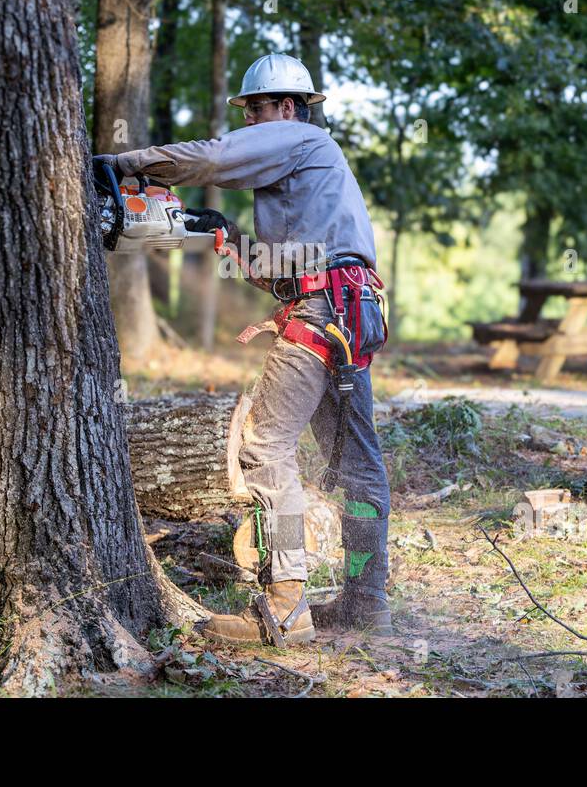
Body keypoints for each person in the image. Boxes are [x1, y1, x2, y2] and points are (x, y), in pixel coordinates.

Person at [96, 53, 392, 646]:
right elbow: (294, 266)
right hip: (350, 310)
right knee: (359, 465)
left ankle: (286, 606)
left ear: (287, 106)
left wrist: (120, 164)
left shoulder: (299, 137)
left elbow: (212, 157)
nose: (251, 121)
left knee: (263, 445)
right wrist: (225, 235)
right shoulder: (310, 168)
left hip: (322, 313)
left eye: (256, 109)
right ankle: (367, 601)